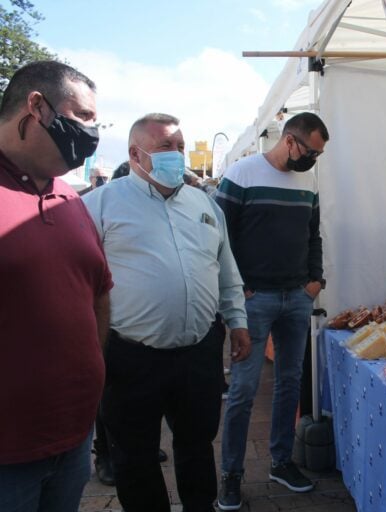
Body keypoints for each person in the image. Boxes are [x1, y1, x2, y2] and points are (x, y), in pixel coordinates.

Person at [82, 113, 251, 512]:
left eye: (179, 146)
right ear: (135, 154)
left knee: (196, 443)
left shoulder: (204, 203)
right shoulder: (98, 205)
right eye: (165, 148)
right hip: (129, 354)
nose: (176, 155)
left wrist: (238, 320)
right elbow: (80, 279)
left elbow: (226, 268)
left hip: (198, 350)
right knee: (134, 453)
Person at [0, 60, 110, 511]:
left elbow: (98, 291)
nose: (92, 130)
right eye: (82, 116)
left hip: (72, 438)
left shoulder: (68, 195)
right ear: (36, 107)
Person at [216, 112, 329, 510]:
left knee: (289, 383)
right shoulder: (242, 174)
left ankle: (280, 462)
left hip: (296, 297)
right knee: (244, 391)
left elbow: (313, 234)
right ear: (289, 140)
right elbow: (219, 235)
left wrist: (315, 279)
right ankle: (231, 474)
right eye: (311, 151)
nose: (313, 159)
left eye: (318, 154)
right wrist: (236, 291)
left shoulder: (308, 180)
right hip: (254, 300)